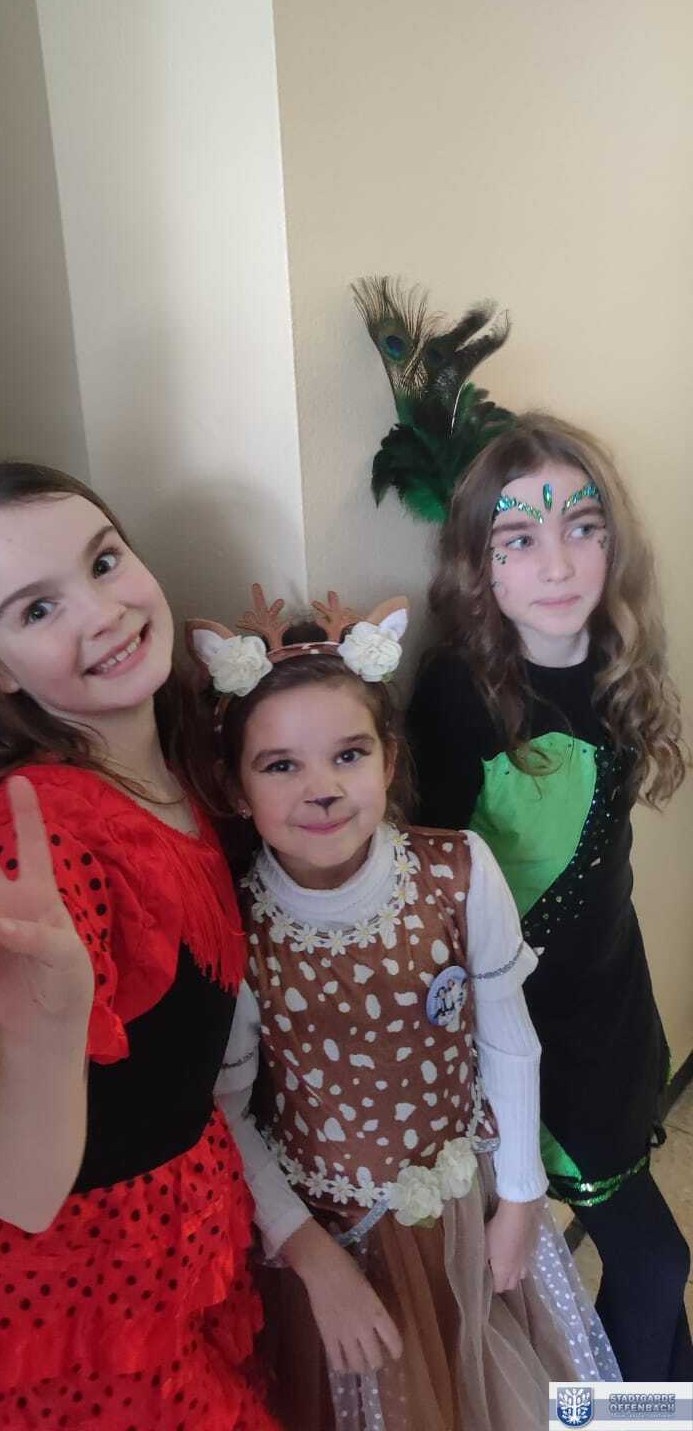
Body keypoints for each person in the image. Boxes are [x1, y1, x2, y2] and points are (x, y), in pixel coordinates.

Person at [188, 585, 618, 1431]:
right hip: (333, 1241)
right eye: (281, 765)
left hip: (467, 1211)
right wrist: (311, 1256)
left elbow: (508, 1040)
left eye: (348, 755)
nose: (322, 789)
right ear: (236, 787)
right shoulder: (235, 925)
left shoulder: (459, 869)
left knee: (505, 1380)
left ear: (388, 761)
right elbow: (227, 1113)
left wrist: (521, 1199)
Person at [0, 461, 280, 1431]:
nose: (102, 612)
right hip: (86, 1299)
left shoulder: (182, 766)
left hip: (188, 1225)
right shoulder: (38, 827)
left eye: (104, 561)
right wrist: (45, 1031)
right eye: (37, 609)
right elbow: (20, 1196)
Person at [407, 412, 692, 1382]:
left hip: (616, 1007)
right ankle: (619, 1414)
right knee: (657, 1262)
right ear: (478, 565)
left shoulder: (616, 659)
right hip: (535, 1038)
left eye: (582, 527)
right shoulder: (460, 694)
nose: (560, 563)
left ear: (615, 540)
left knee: (649, 1281)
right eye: (521, 539)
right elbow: (433, 892)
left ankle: (659, 1405)